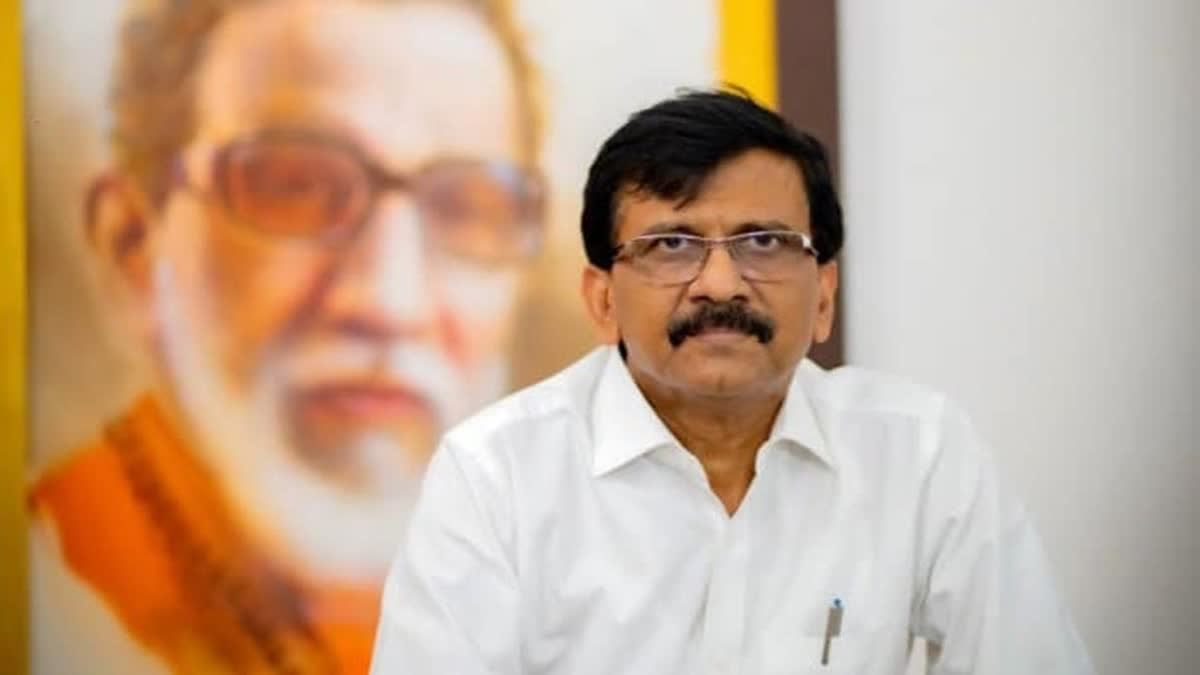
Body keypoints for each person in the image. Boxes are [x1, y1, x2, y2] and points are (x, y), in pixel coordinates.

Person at [370, 89, 1096, 674]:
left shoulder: (921, 452)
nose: (721, 282)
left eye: (765, 242)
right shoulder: (494, 477)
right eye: (672, 244)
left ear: (823, 296)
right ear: (601, 299)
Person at [28, 0, 544, 672]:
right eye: (293, 187)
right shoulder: (49, 598)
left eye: (466, 207)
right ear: (133, 246)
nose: (391, 301)